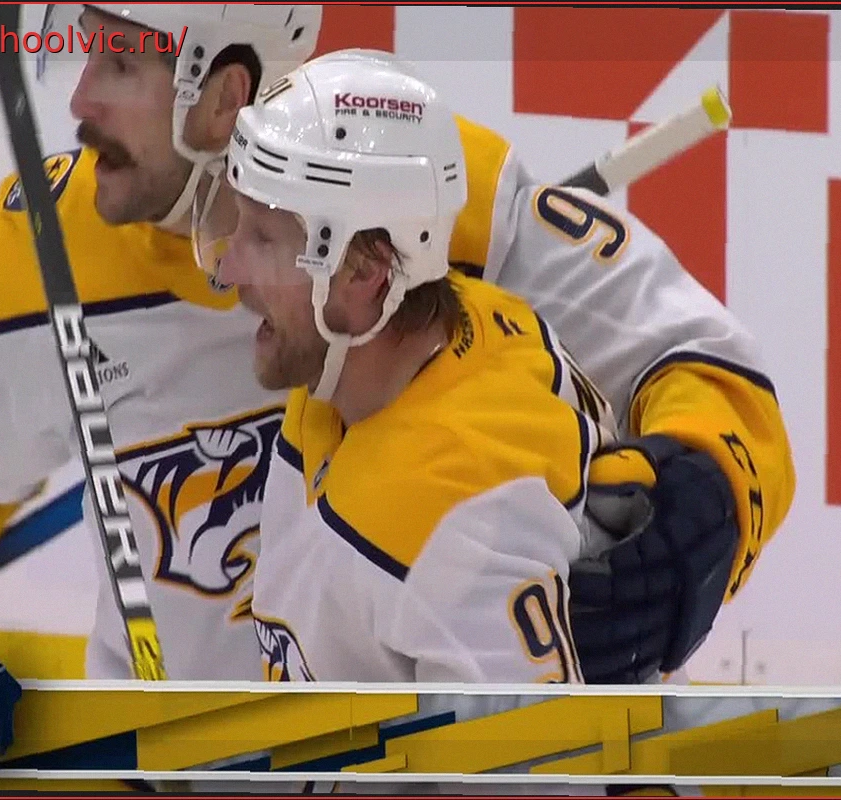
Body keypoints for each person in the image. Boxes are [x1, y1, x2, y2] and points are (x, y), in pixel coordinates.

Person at [0, 3, 796, 690]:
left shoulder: (415, 183)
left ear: (221, 90)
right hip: (170, 762)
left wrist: (700, 509)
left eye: (121, 63)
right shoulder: (49, 257)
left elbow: (700, 360)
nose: (79, 101)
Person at [222, 51, 598, 685]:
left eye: (263, 239)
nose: (229, 269)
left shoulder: (456, 517)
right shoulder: (355, 357)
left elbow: (527, 751)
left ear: (367, 269)